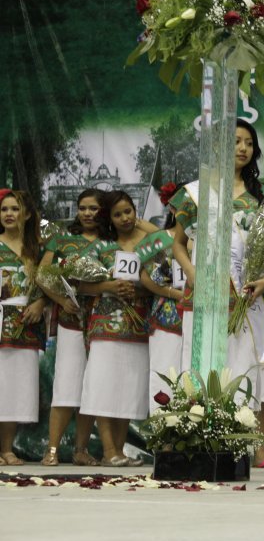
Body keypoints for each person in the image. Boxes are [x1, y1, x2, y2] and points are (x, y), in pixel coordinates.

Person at [172, 118, 264, 469]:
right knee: (202, 369)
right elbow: (178, 245)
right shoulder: (193, 193)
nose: (242, 148)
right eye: (235, 141)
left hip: (246, 300)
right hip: (205, 299)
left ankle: (252, 448)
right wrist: (194, 276)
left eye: (248, 143)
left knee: (245, 370)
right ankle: (199, 439)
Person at [79, 191, 154, 467]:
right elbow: (81, 285)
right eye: (118, 214)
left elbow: (160, 281)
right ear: (108, 219)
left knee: (129, 390)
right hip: (104, 326)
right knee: (103, 387)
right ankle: (108, 450)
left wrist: (139, 289)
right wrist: (110, 286)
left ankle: (119, 451)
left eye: (129, 211)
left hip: (138, 327)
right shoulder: (100, 246)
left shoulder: (148, 245)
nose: (125, 218)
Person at [39, 189, 104, 466]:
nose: (87, 213)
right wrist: (61, 301)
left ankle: (81, 450)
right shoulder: (62, 239)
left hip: (103, 323)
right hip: (71, 322)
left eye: (94, 208)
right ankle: (51, 449)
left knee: (91, 388)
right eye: (83, 208)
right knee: (67, 385)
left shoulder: (112, 241)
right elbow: (43, 275)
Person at [0, 190, 47, 466]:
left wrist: (41, 303)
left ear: (26, 214)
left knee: (14, 389)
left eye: (14, 209)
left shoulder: (37, 250)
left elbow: (48, 287)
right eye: (4, 209)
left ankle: (7, 449)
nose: (8, 214)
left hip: (25, 327)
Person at [141, 184, 184, 412]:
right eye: (186, 205)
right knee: (164, 375)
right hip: (167, 318)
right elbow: (149, 279)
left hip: (199, 319)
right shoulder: (157, 240)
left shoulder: (210, 241)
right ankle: (164, 438)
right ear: (174, 209)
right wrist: (177, 294)